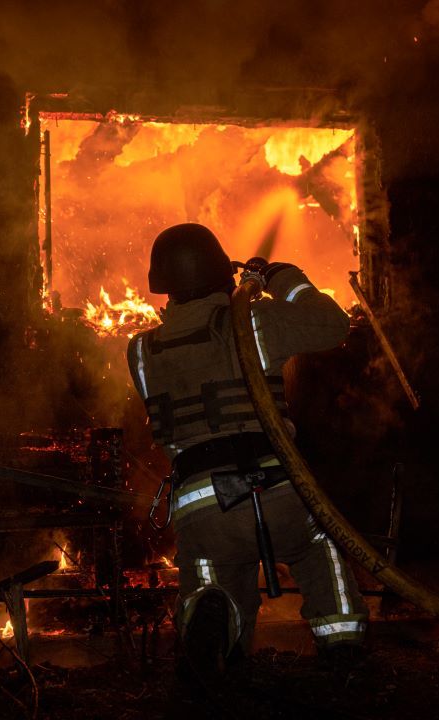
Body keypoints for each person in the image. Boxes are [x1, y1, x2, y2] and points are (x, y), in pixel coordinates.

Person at [126, 222, 367, 680]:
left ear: (165, 286)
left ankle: (212, 618)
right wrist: (281, 277)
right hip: (275, 485)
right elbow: (332, 324)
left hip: (201, 504)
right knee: (318, 546)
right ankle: (342, 646)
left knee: (212, 573)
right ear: (224, 274)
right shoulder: (254, 323)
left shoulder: (140, 351)